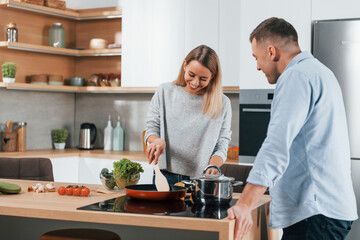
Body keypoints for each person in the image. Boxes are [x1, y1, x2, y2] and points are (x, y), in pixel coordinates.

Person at [227, 17, 358, 240]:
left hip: (315, 214)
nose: (257, 66)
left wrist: (244, 204)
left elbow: (276, 145)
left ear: (271, 51)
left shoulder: (296, 76)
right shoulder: (320, 72)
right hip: (327, 210)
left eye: (256, 58)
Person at [144, 45, 232, 185]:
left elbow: (222, 143)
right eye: (191, 75)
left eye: (203, 78)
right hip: (165, 176)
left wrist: (214, 166)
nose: (195, 82)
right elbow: (151, 128)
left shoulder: (222, 103)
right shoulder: (164, 92)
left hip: (200, 179)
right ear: (184, 65)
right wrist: (156, 140)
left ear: (212, 76)